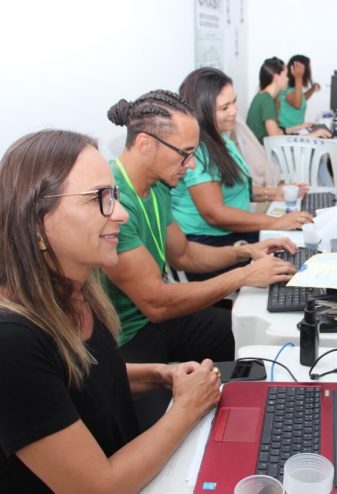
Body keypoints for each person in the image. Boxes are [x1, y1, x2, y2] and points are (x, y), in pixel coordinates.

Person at [0, 129, 222, 492]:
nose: (121, 214)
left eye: (114, 195)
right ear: (37, 219)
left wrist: (161, 374)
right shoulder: (2, 343)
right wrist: (187, 407)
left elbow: (85, 379)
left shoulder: (76, 291)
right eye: (100, 198)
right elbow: (99, 487)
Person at [103, 89, 297, 429]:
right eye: (185, 154)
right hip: (126, 339)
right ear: (146, 144)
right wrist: (243, 275)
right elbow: (156, 302)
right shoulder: (113, 200)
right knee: (163, 435)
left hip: (158, 324)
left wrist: (244, 252)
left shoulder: (157, 184)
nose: (191, 164)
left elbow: (184, 253)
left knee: (254, 337)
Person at [173, 68, 314, 281]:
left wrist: (275, 193)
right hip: (209, 245)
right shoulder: (198, 150)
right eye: (224, 107)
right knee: (289, 264)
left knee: (295, 246)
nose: (234, 111)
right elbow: (215, 214)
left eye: (234, 102)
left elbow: (235, 188)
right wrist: (275, 222)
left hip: (231, 233)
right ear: (202, 111)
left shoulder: (220, 138)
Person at [246, 57, 330, 143]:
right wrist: (313, 136)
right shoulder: (266, 100)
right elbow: (276, 140)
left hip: (263, 147)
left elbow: (277, 132)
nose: (288, 79)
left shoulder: (263, 96)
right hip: (263, 149)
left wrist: (300, 126)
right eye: (286, 75)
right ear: (276, 77)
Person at [278, 54, 321, 129]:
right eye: (309, 69)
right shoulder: (285, 88)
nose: (310, 71)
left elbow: (301, 98)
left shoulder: (293, 88)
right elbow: (297, 104)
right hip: (287, 131)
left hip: (296, 130)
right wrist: (298, 77)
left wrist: (312, 89)